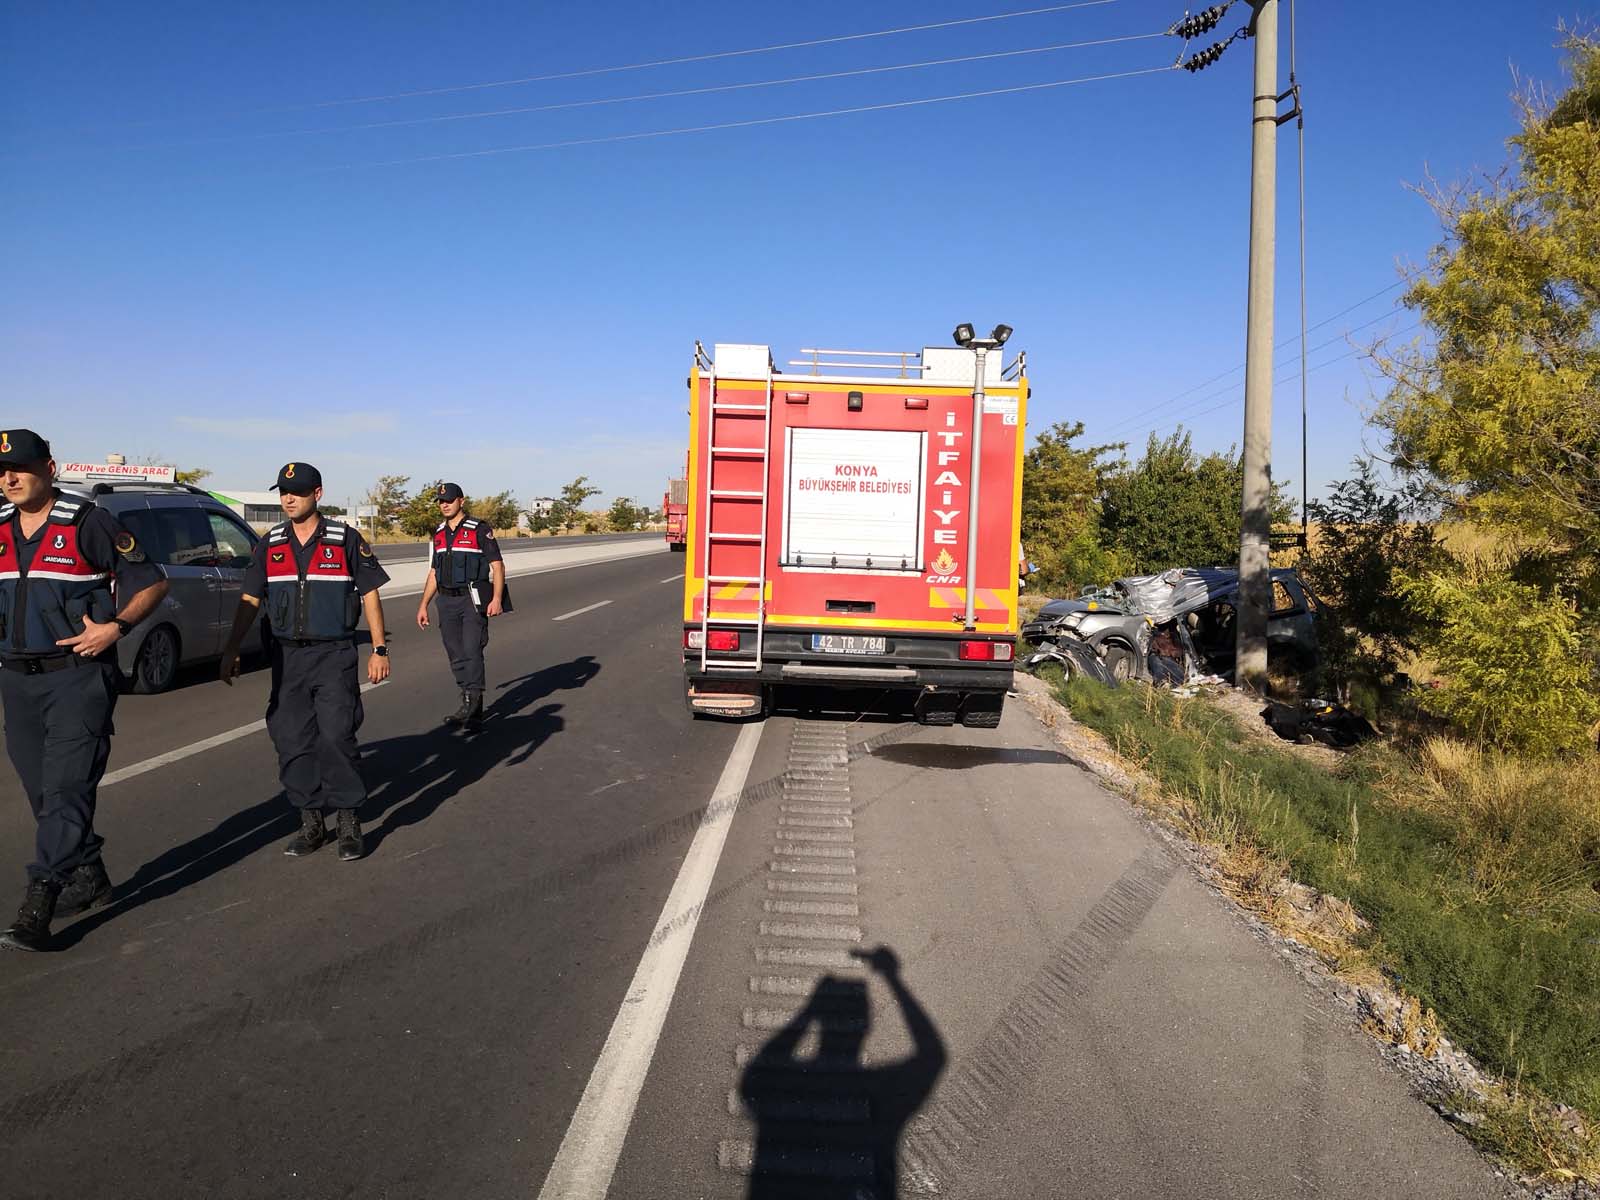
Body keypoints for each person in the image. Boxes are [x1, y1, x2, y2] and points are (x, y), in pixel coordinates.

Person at [0, 430, 169, 952]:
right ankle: (90, 875)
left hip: (77, 676)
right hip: (16, 681)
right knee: (44, 794)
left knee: (67, 792)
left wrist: (115, 627)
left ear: (48, 468)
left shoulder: (86, 521)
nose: (8, 478)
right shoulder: (0, 528)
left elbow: (152, 581)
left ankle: (40, 901)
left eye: (20, 468)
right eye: (1, 471)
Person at [219, 462, 390, 862]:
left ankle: (348, 819)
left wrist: (379, 649)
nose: (288, 498)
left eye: (297, 491)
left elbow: (369, 595)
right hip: (287, 658)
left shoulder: (345, 539)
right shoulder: (270, 543)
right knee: (291, 741)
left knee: (335, 737)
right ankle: (311, 821)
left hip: (333, 655)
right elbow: (250, 599)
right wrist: (232, 648)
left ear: (318, 494)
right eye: (283, 492)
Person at [415, 482, 505, 728]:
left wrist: (496, 598)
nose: (444, 504)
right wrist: (424, 604)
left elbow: (497, 565)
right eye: (441, 501)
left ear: (461, 501)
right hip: (445, 600)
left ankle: (473, 706)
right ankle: (468, 699)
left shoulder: (479, 529)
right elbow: (434, 571)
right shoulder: (439, 533)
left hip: (470, 600)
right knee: (455, 653)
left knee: (471, 650)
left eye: (449, 500)